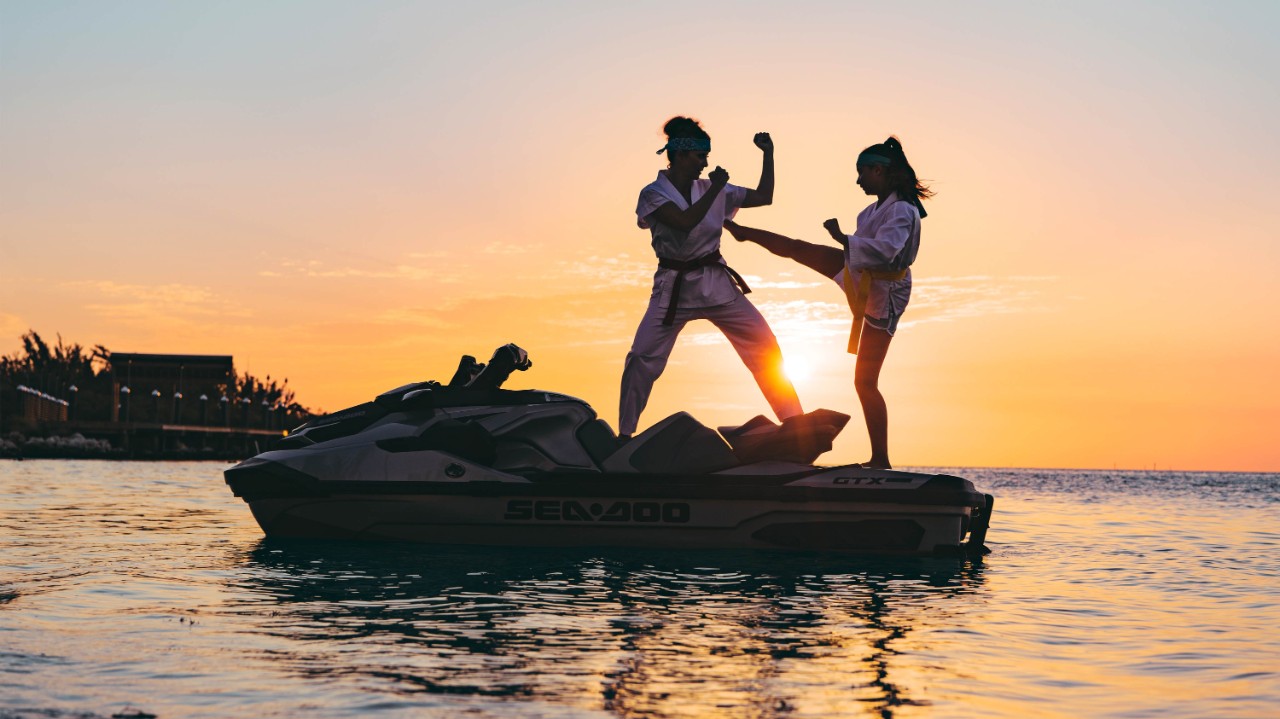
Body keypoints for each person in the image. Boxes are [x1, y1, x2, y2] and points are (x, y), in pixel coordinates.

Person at [723, 136, 932, 468]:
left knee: (865, 381)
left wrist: (841, 239)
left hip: (885, 294)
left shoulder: (904, 211)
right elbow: (866, 250)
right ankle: (744, 232)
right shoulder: (872, 210)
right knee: (798, 248)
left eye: (862, 172)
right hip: (861, 273)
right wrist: (845, 244)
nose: (858, 180)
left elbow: (889, 250)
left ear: (879, 170)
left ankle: (881, 459)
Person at [618, 116, 803, 439]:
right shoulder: (653, 193)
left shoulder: (713, 189)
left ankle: (795, 423)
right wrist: (717, 186)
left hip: (717, 285)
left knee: (764, 346)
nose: (705, 163)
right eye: (700, 156)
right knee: (641, 358)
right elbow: (685, 222)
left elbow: (764, 196)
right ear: (679, 154)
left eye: (707, 156)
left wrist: (768, 154)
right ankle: (624, 435)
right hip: (673, 289)